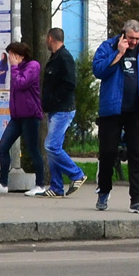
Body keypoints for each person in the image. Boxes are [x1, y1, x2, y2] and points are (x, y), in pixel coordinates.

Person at [93, 19, 139, 214]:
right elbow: (98, 71)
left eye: (137, 39)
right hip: (112, 110)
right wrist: (119, 53)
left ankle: (137, 199)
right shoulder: (108, 46)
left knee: (138, 154)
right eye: (131, 38)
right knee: (107, 153)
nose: (134, 42)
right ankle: (103, 191)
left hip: (138, 110)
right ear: (123, 34)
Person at [0, 42, 48, 196]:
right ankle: (3, 183)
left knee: (33, 150)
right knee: (3, 146)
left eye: (12, 54)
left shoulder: (33, 66)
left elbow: (21, 83)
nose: (10, 58)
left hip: (30, 116)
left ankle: (40, 184)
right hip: (17, 117)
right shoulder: (16, 69)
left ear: (20, 55)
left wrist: (14, 67)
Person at [41, 28, 88, 197]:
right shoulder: (55, 58)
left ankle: (77, 174)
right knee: (54, 148)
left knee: (51, 145)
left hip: (63, 109)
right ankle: (56, 186)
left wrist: (53, 99)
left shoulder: (64, 57)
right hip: (55, 109)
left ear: (50, 38)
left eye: (47, 39)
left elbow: (69, 84)